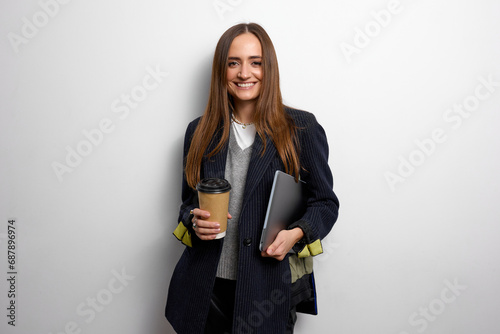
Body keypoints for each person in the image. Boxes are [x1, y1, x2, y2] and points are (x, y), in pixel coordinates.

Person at [165, 22, 339, 334]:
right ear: (222, 70)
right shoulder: (199, 131)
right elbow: (188, 202)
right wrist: (194, 219)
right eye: (234, 63)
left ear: (268, 68)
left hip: (266, 291)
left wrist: (296, 233)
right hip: (203, 290)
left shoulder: (301, 128)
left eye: (255, 62)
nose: (245, 73)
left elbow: (325, 203)